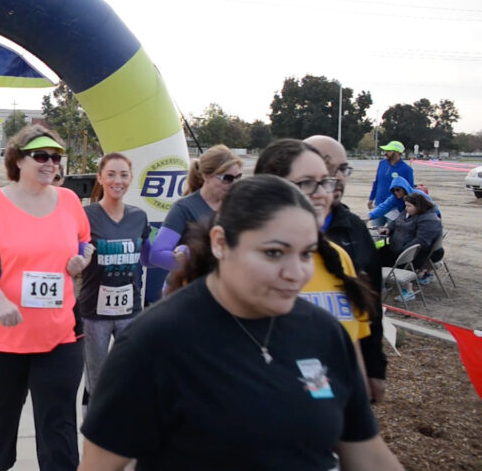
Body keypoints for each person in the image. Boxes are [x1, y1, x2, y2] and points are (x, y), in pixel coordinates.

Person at [79, 175, 404, 471]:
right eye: (275, 253)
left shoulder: (324, 332)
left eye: (307, 254)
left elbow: (367, 453)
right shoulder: (153, 342)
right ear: (220, 242)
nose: (296, 273)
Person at [0, 125, 92, 471]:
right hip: (0, 331)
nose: (51, 163)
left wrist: (82, 258)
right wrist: (0, 302)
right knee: (4, 409)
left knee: (59, 416)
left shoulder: (69, 200)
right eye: (41, 156)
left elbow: (83, 241)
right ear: (17, 160)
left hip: (60, 330)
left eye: (56, 157)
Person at [254, 139, 374, 354]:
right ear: (270, 189)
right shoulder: (237, 262)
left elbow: (352, 353)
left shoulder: (339, 258)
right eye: (307, 183)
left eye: (325, 181)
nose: (322, 194)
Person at [304, 135, 388, 403]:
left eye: (343, 169)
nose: (338, 178)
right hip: (296, 371)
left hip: (345, 369)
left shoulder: (355, 229)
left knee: (350, 433)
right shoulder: (272, 233)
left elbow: (371, 306)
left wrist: (374, 368)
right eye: (329, 169)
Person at [79, 152, 150, 401]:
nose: (117, 180)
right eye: (110, 174)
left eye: (123, 174)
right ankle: (94, 431)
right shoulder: (86, 217)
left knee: (132, 374)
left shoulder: (139, 217)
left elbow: (148, 257)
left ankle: (123, 430)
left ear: (131, 178)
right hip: (94, 313)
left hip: (130, 311)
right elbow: (72, 258)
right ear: (100, 177)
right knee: (97, 379)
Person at [150, 144, 242, 273]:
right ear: (206, 176)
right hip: (193, 287)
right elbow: (156, 255)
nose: (234, 184)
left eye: (238, 177)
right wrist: (189, 259)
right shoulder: (184, 208)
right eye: (227, 178)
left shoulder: (239, 206)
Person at [378, 193, 443, 301]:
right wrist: (388, 229)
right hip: (397, 247)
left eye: (409, 206)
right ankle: (384, 282)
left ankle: (408, 290)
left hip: (415, 253)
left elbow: (422, 241)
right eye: (406, 205)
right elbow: (395, 223)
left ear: (418, 206)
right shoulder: (407, 213)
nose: (406, 208)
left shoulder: (429, 219)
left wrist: (403, 251)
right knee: (378, 254)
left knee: (399, 262)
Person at [368, 141, 414, 218]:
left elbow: (410, 190)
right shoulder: (382, 163)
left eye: (389, 151)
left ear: (397, 153)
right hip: (378, 205)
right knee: (376, 229)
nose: (386, 153)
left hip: (395, 208)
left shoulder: (407, 169)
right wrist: (371, 198)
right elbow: (376, 182)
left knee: (392, 229)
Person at [368, 174, 440, 222]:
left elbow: (433, 207)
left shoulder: (419, 195)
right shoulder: (394, 198)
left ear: (404, 189)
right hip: (409, 221)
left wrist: (436, 220)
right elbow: (383, 207)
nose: (396, 192)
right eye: (393, 190)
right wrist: (369, 217)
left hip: (424, 219)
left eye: (398, 190)